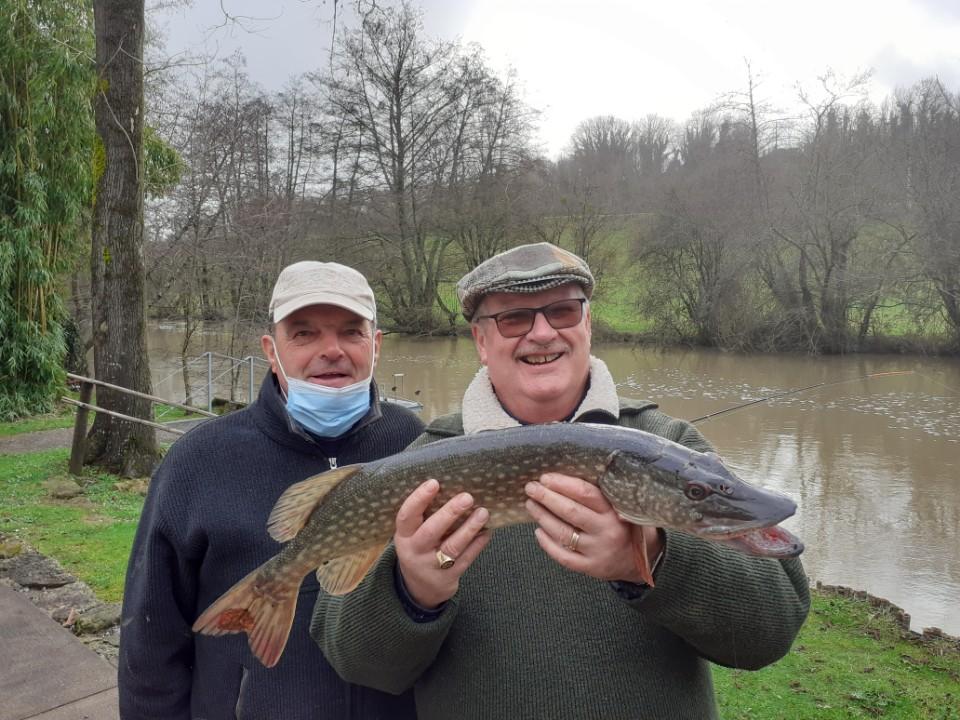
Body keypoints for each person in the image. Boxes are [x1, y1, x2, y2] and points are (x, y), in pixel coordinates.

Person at [311, 243, 811, 720]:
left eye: (563, 312)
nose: (542, 333)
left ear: (587, 324)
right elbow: (359, 665)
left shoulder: (670, 445)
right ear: (481, 341)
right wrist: (413, 591)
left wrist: (652, 561)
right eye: (514, 319)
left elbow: (771, 631)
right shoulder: (423, 466)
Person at [118, 261, 424, 719]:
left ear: (375, 346)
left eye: (351, 332)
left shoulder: (416, 443)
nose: (331, 350)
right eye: (304, 334)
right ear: (271, 350)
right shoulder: (197, 461)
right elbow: (150, 643)